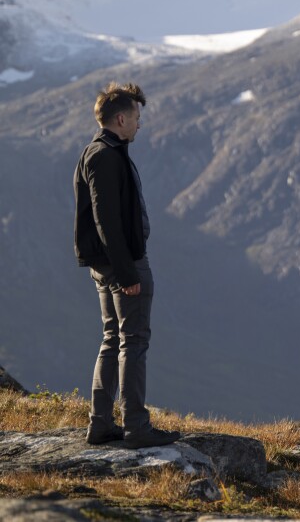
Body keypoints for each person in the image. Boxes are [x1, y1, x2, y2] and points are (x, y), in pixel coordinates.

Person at [73, 82, 180, 449]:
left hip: (108, 264)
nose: (139, 124)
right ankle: (136, 426)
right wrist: (127, 273)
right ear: (121, 118)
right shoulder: (105, 155)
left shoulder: (101, 152)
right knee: (133, 341)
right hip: (124, 265)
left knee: (112, 339)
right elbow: (107, 220)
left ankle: (101, 424)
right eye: (136, 117)